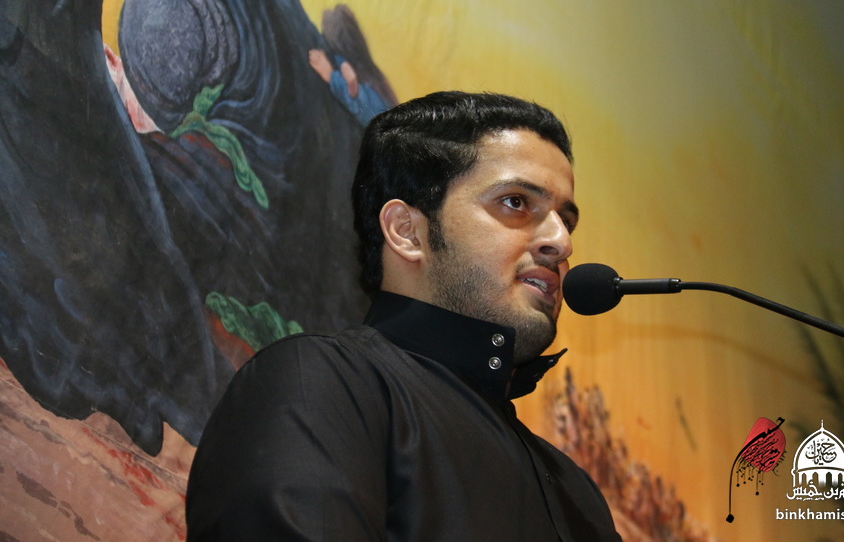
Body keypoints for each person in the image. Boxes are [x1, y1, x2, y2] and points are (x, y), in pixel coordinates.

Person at [185, 91, 622, 541]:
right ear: (407, 231)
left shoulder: (576, 490)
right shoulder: (320, 383)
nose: (561, 242)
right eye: (515, 202)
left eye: (566, 221)